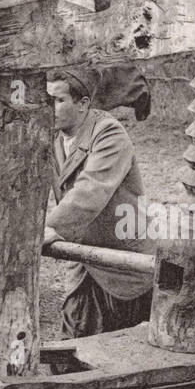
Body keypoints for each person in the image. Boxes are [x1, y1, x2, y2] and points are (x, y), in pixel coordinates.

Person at [44, 68, 153, 337]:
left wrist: (45, 229)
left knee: (124, 349)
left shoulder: (109, 135)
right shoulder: (55, 139)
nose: (50, 108)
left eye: (58, 100)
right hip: (84, 260)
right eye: (47, 101)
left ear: (83, 104)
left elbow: (89, 193)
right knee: (71, 345)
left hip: (123, 262)